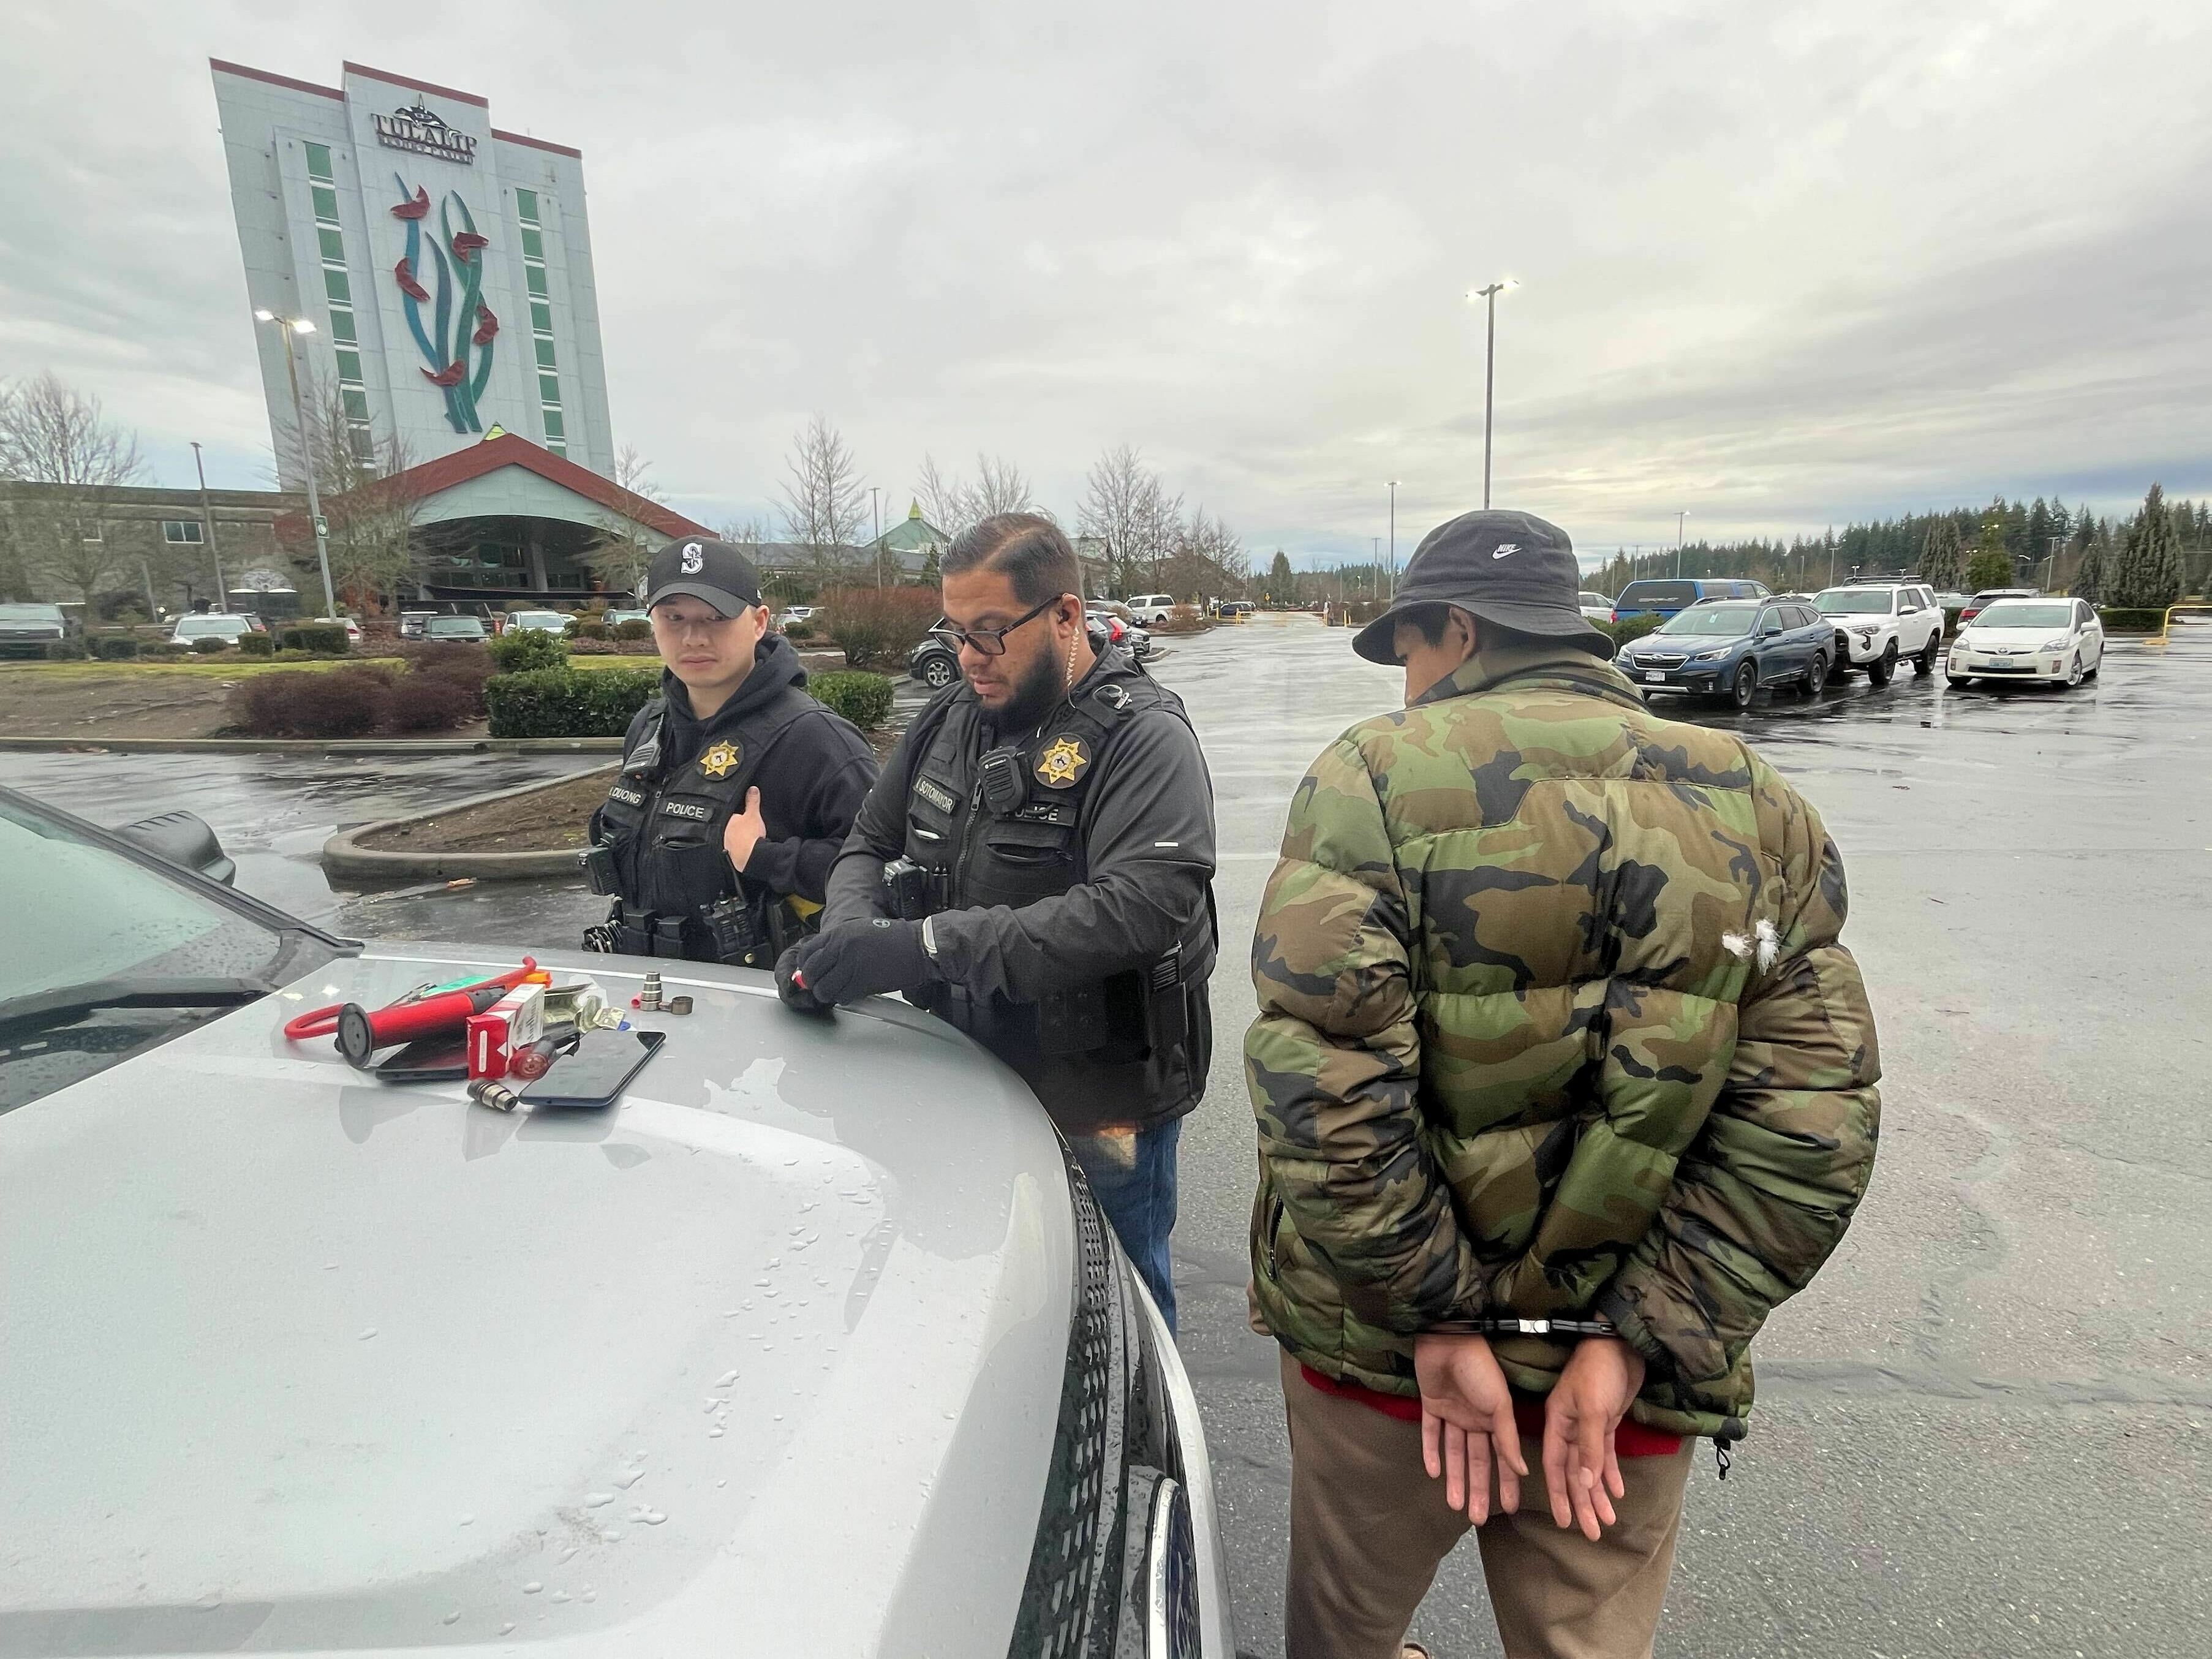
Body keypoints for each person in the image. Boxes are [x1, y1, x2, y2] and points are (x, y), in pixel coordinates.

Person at [1246, 509, 1882, 1659]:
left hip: (1395, 1379)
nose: (1406, 684)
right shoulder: (1756, 798)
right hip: (1615, 1401)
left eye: (1408, 650)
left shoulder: (1371, 779)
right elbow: (1811, 1118)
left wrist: (1437, 1322)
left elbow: (1323, 1091)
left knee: (1345, 1636)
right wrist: (1641, 1334)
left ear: (1455, 628)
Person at [778, 513, 1217, 1331]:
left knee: (1113, 1318)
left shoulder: (1142, 735)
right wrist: (846, 941)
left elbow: (1139, 909)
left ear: (1064, 615)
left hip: (1096, 1095)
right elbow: (868, 841)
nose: (968, 656)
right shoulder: (950, 718)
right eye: (954, 631)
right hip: (965, 1069)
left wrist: (921, 948)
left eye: (989, 633)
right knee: (990, 1300)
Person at [583, 537, 877, 967]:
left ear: (759, 622)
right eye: (674, 618)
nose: (694, 637)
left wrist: (767, 858)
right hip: (649, 990)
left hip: (766, 1005)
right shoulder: (649, 727)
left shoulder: (816, 739)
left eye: (716, 618)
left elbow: (881, 872)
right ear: (652, 623)